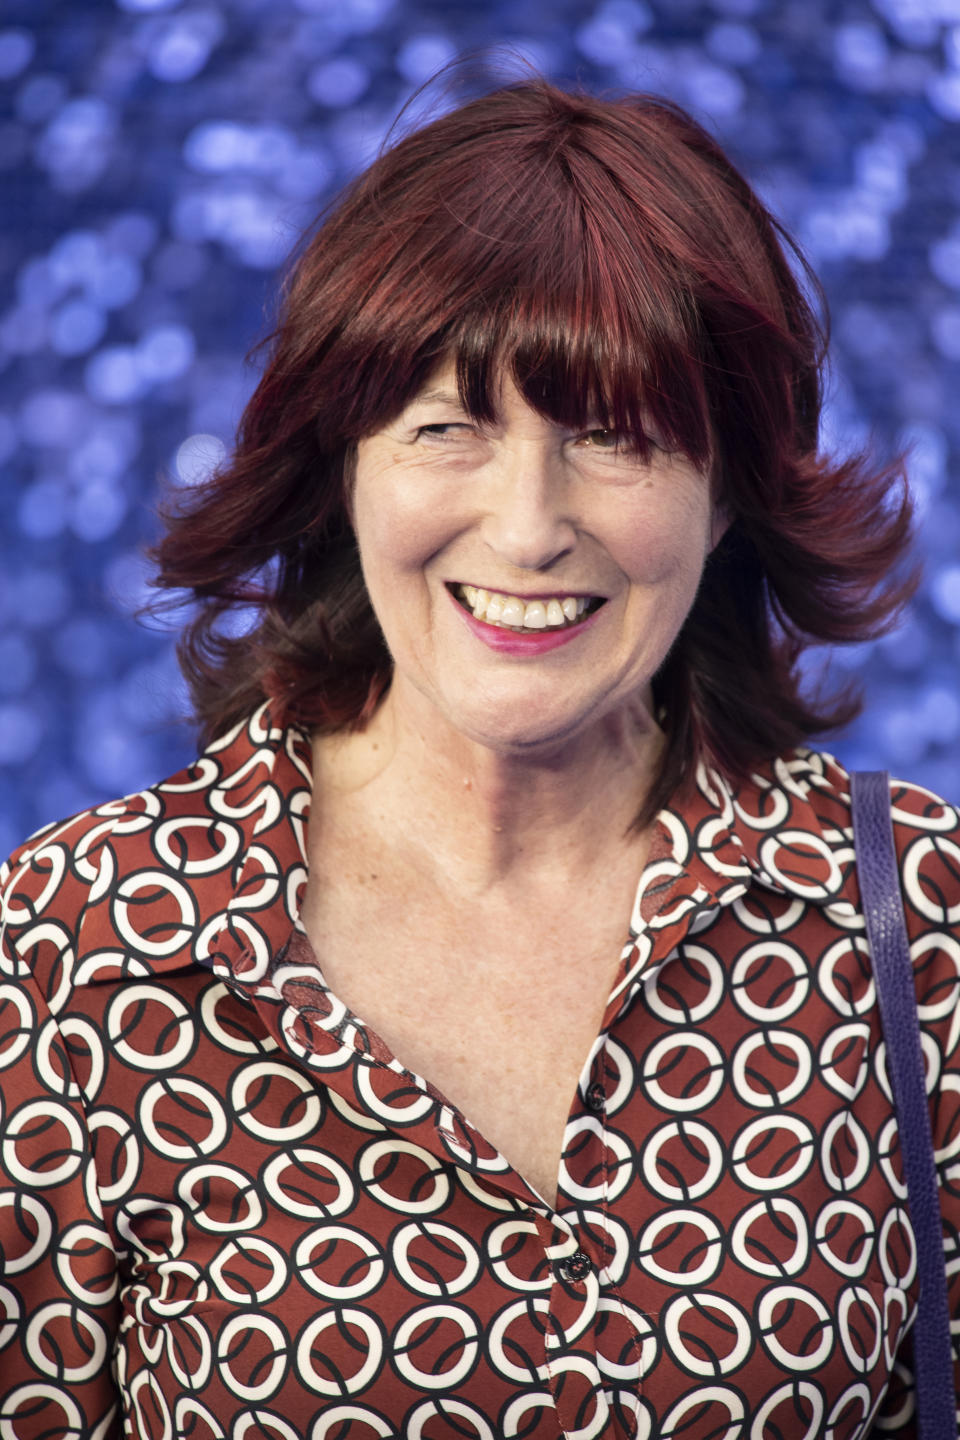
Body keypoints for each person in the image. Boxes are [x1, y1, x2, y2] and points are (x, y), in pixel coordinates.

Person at [0, 74, 957, 1440]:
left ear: (732, 487)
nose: (527, 529)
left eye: (616, 438)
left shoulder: (919, 920)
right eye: (447, 427)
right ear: (345, 464)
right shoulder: (72, 949)